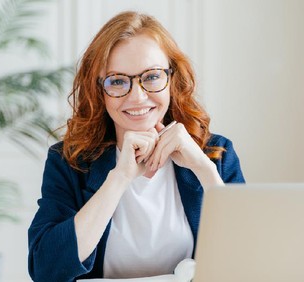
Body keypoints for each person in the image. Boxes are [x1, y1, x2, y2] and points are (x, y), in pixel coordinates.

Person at [28, 11, 245, 282]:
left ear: (172, 79)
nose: (138, 96)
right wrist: (118, 179)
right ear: (99, 90)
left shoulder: (217, 153)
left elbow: (250, 260)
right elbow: (46, 270)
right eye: (118, 81)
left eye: (152, 76)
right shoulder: (69, 161)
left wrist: (203, 167)